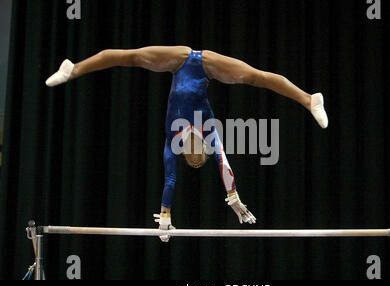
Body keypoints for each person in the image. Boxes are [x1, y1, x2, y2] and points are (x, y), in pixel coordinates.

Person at [46, 46, 328, 242]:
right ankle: (309, 99)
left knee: (131, 57)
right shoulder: (209, 132)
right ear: (202, 152)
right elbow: (224, 162)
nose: (193, 159)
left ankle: (74, 70)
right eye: (198, 160)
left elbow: (170, 178)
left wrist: (166, 214)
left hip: (177, 61)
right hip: (206, 65)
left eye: (190, 161)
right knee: (255, 77)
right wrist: (233, 196)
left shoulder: (172, 142)